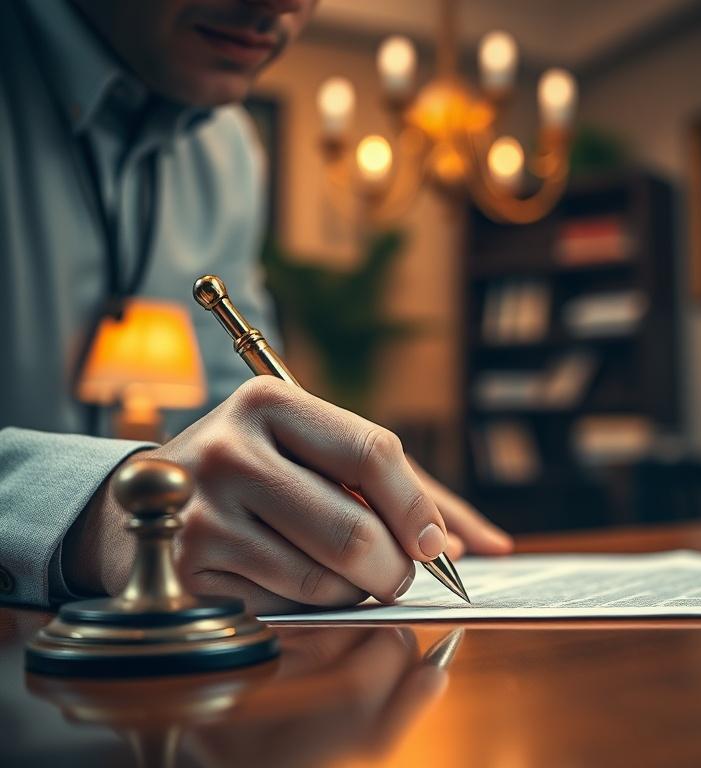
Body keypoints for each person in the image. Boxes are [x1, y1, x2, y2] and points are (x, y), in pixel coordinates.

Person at [0, 0, 513, 614]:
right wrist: (99, 517)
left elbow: (235, 407)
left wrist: (309, 480)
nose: (282, 5)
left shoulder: (230, 150)